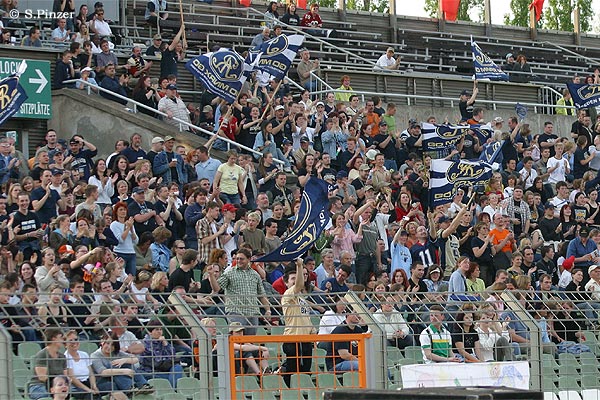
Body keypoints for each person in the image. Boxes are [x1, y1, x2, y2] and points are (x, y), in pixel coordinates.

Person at [210, 248, 271, 335]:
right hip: (235, 312)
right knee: (237, 339)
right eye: (237, 259)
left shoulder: (255, 274)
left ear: (249, 259)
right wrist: (211, 275)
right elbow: (216, 289)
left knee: (250, 341)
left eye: (241, 259)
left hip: (252, 313)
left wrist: (268, 310)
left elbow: (262, 295)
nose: (238, 261)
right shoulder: (229, 273)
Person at [281, 259, 313, 386]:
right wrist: (299, 265)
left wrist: (312, 330)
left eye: (296, 277)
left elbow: (306, 317)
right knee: (292, 371)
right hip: (293, 338)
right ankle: (289, 393)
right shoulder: (288, 294)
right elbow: (299, 285)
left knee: (306, 371)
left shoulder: (302, 299)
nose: (295, 280)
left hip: (305, 339)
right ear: (286, 282)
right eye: (292, 279)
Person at [139, 320, 184, 389]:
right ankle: (174, 389)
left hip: (164, 370)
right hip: (151, 371)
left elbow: (173, 356)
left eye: (161, 329)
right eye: (157, 330)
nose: (159, 332)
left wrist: (165, 344)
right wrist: (168, 361)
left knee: (177, 367)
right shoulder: (145, 344)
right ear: (150, 332)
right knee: (175, 376)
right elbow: (156, 362)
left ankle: (172, 387)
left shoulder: (162, 342)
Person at [28, 328, 68, 400]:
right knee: (47, 397)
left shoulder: (62, 357)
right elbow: (42, 378)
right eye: (60, 338)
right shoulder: (42, 355)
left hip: (57, 385)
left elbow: (65, 376)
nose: (63, 340)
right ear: (53, 339)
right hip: (39, 385)